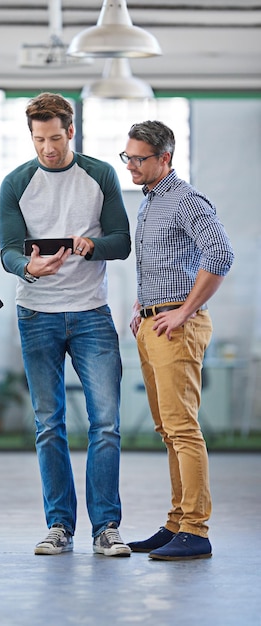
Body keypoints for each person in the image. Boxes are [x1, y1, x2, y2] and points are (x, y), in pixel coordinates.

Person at [0, 92, 132, 557]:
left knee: (107, 424)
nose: (47, 149)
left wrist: (92, 246)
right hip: (36, 314)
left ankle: (106, 528)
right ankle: (59, 526)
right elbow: (8, 250)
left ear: (70, 131)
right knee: (49, 424)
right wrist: (27, 267)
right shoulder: (16, 182)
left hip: (91, 312)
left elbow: (122, 241)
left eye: (55, 138)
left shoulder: (99, 174)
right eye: (39, 140)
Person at [122, 120, 234, 560]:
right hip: (152, 325)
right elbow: (164, 264)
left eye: (139, 158)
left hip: (178, 328)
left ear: (164, 159)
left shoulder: (186, 200)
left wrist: (184, 310)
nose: (131, 165)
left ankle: (196, 530)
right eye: (127, 156)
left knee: (184, 430)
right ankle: (176, 523)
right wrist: (141, 306)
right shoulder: (150, 203)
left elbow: (220, 254)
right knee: (168, 430)